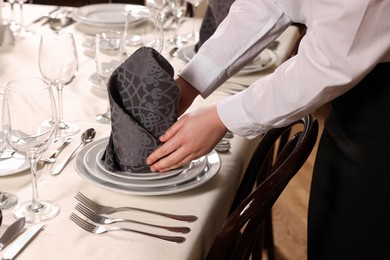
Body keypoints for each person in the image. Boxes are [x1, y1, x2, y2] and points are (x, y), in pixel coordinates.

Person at [147, 0, 390, 258]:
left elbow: (330, 62)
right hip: (353, 104)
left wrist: (221, 118)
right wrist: (190, 81)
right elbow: (269, 3)